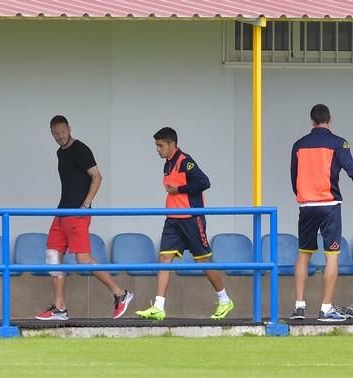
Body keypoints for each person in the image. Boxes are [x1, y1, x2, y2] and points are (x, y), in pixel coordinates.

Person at [290, 104, 353, 322]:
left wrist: (304, 195)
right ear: (329, 119)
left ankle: (299, 307)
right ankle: (326, 309)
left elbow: (293, 177)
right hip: (329, 205)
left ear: (311, 120)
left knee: (304, 254)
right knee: (331, 256)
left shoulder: (299, 145)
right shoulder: (338, 143)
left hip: (306, 206)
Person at [35, 115, 133, 320]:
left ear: (69, 129)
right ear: (51, 133)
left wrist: (85, 205)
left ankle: (120, 293)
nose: (60, 136)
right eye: (56, 133)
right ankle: (60, 308)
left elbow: (97, 176)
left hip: (78, 212)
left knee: (83, 259)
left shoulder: (81, 149)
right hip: (62, 211)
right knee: (53, 255)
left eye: (63, 131)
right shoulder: (60, 153)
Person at [135, 127, 234, 321]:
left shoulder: (185, 161)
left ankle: (224, 300)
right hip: (172, 220)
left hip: (191, 219)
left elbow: (204, 182)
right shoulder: (167, 164)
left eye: (160, 145)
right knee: (164, 259)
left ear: (172, 144)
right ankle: (158, 306)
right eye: (156, 145)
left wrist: (179, 189)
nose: (158, 149)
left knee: (203, 261)